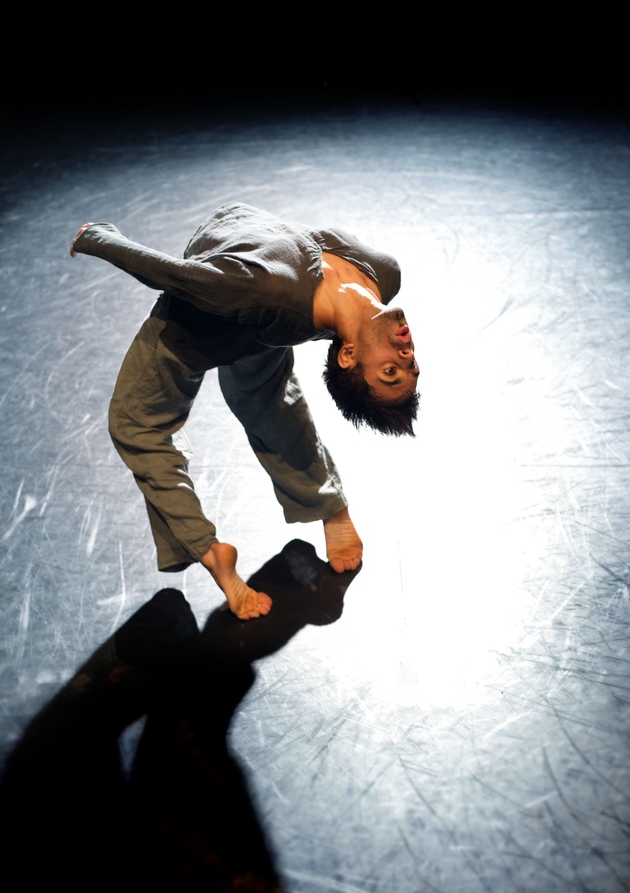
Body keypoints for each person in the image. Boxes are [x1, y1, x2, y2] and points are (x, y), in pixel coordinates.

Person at [70, 203, 419, 620]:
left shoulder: (263, 293)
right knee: (270, 405)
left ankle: (212, 553)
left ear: (347, 355)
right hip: (251, 284)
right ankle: (330, 508)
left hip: (197, 328)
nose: (406, 352)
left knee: (135, 424)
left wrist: (101, 237)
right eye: (410, 365)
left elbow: (176, 277)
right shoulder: (385, 274)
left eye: (390, 371)